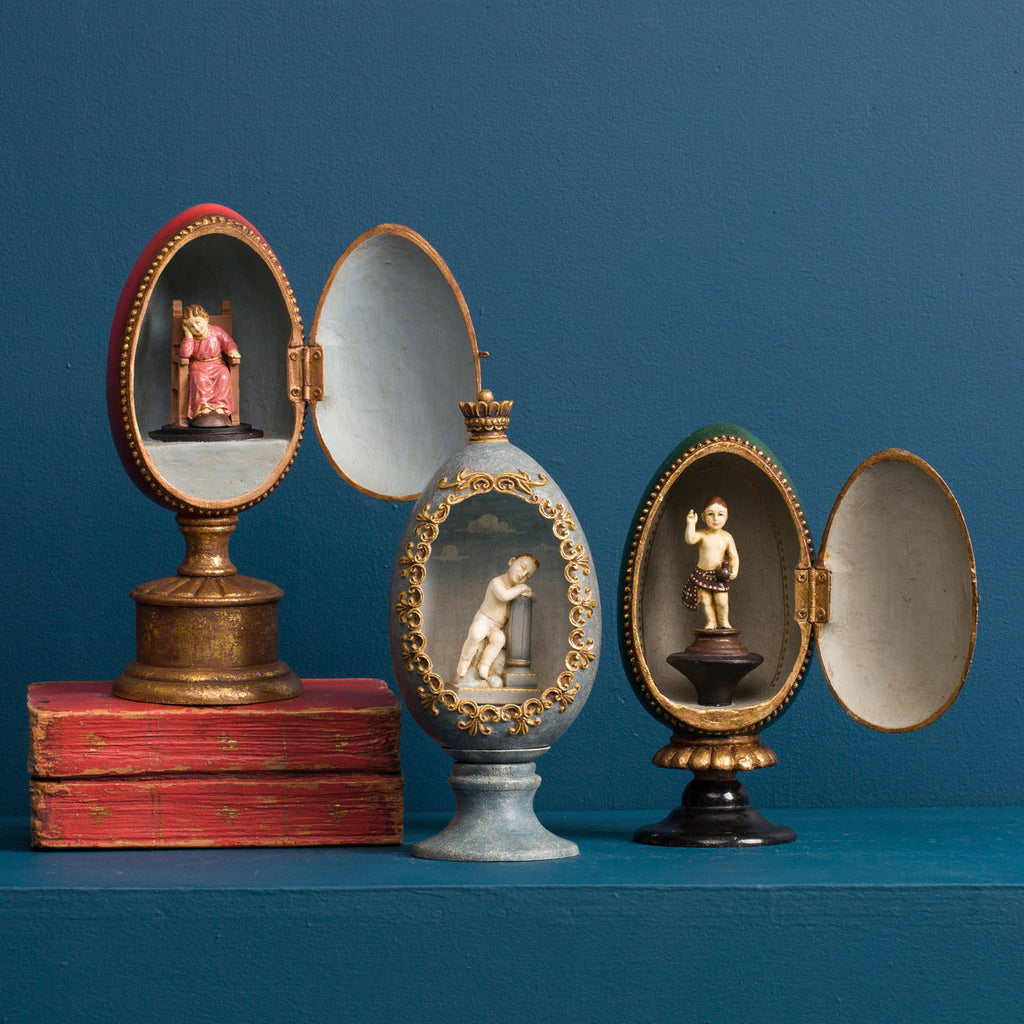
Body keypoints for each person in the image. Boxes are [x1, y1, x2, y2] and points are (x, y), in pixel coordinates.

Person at [455, 554, 539, 686]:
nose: (523, 575)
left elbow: (532, 597)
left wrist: (530, 593)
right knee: (476, 634)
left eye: (528, 576)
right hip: (484, 620)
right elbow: (504, 596)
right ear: (511, 561)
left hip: (497, 627)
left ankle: (484, 665)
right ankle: (465, 661)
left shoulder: (516, 590)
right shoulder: (496, 582)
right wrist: (522, 588)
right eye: (522, 567)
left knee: (499, 640)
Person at [682, 497, 739, 630]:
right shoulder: (702, 535)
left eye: (720, 514)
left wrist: (734, 569)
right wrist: (691, 524)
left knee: (722, 602)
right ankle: (711, 622)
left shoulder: (727, 537)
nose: (715, 519)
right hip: (702, 575)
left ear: (727, 516)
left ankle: (724, 621)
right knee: (706, 602)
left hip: (719, 576)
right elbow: (690, 539)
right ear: (703, 516)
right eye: (710, 514)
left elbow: (733, 556)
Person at [179, 304, 240, 426]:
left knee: (224, 375)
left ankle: (220, 407)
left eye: (198, 322)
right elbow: (185, 353)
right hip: (199, 366)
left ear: (206, 319)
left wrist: (232, 350)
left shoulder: (216, 332)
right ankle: (203, 408)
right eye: (191, 326)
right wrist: (188, 335)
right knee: (199, 378)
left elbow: (228, 343)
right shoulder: (191, 339)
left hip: (217, 365)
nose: (196, 328)